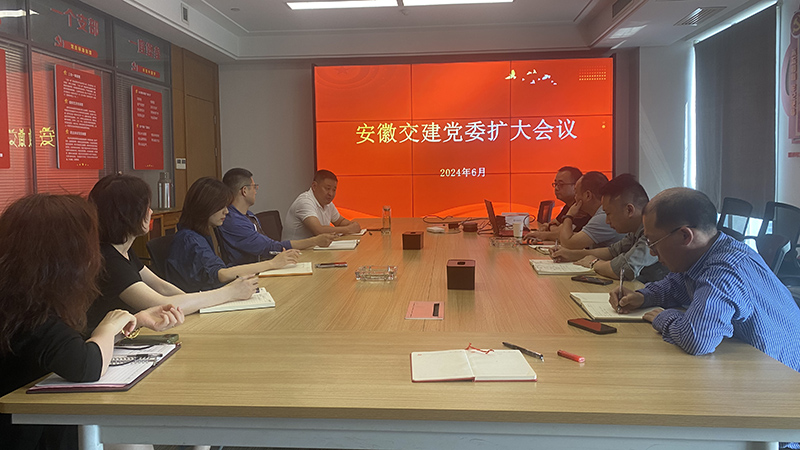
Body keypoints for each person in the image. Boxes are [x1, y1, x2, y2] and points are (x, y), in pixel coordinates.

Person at [0, 194, 184, 450]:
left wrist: (134, 321)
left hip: (40, 418)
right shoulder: (29, 312)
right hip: (27, 430)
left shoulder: (20, 295)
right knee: (130, 438)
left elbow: (69, 347)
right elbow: (86, 366)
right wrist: (109, 326)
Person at [610, 187, 800, 372]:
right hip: (753, 364)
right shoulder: (711, 251)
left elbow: (696, 339)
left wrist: (663, 317)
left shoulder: (724, 270)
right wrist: (643, 297)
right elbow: (677, 285)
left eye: (653, 243)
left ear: (685, 236)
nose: (652, 252)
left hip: (781, 377)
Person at [87, 174, 261, 329]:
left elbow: (161, 287)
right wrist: (229, 293)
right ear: (128, 215)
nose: (151, 212)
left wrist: (197, 304)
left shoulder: (124, 250)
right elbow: (161, 303)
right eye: (146, 207)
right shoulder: (109, 260)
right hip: (111, 346)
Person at [166, 177, 300, 292]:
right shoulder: (190, 239)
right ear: (206, 206)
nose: (226, 211)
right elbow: (221, 274)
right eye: (222, 206)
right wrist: (272, 264)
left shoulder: (200, 233)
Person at [550, 174, 667, 283]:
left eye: (609, 214)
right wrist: (571, 255)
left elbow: (624, 269)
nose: (607, 221)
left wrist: (593, 263)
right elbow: (612, 251)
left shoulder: (654, 231)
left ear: (629, 210)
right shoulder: (636, 230)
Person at [218, 168, 334, 265]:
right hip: (249, 275)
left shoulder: (249, 215)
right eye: (254, 187)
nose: (256, 191)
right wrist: (315, 241)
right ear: (244, 191)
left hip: (263, 266)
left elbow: (269, 245)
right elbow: (269, 247)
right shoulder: (233, 222)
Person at [283, 169, 361, 241]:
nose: (331, 194)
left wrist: (352, 225)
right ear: (314, 186)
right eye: (327, 188)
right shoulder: (305, 202)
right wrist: (348, 229)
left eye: (334, 190)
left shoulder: (327, 204)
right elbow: (318, 230)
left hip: (314, 248)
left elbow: (340, 221)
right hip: (295, 250)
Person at [555, 171, 624, 249]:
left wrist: (569, 215)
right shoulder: (600, 213)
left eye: (576, 193)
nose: (575, 197)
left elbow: (568, 244)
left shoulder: (603, 217)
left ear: (588, 195)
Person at [525, 166, 590, 241]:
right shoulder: (568, 205)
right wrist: (552, 227)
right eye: (555, 184)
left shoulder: (581, 207)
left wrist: (546, 232)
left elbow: (562, 233)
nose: (556, 188)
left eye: (561, 184)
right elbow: (554, 223)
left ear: (576, 186)